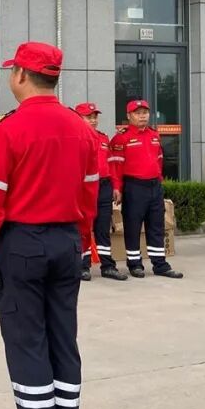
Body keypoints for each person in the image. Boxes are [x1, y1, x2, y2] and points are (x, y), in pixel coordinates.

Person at [0, 41, 99, 409]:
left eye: (12, 71)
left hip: (23, 244)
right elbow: (89, 193)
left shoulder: (9, 128)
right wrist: (82, 241)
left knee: (27, 341)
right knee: (63, 338)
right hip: (66, 243)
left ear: (21, 75)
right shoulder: (82, 129)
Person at [109, 100, 184, 279]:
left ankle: (160, 264)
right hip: (134, 187)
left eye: (145, 112)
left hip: (154, 186)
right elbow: (115, 167)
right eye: (138, 112)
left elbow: (159, 159)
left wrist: (159, 180)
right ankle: (135, 264)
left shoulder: (154, 135)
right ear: (129, 116)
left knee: (156, 226)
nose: (142, 116)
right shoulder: (121, 138)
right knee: (133, 227)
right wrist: (117, 188)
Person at [74, 103, 127, 282]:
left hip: (103, 186)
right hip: (84, 188)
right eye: (89, 117)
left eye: (95, 117)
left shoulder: (104, 138)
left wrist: (115, 186)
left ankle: (108, 266)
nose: (93, 120)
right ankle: (83, 265)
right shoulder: (74, 138)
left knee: (103, 228)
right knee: (84, 228)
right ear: (79, 118)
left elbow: (111, 165)